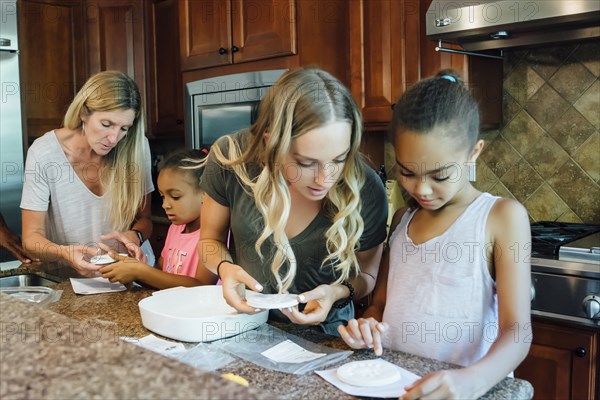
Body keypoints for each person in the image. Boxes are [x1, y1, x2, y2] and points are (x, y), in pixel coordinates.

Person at [338, 70, 532, 399]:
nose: (422, 189)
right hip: (399, 385)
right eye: (408, 172)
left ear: (473, 152)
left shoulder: (501, 218)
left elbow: (517, 331)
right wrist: (367, 326)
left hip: (470, 391)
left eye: (440, 175)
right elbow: (380, 305)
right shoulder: (402, 220)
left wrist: (471, 381)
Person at [197, 67, 388, 335]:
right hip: (246, 326)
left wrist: (336, 292)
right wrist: (224, 267)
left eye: (339, 159)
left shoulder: (366, 187)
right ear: (271, 143)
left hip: (329, 336)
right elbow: (209, 241)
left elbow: (368, 274)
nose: (325, 179)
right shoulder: (231, 159)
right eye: (306, 163)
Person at [21, 71, 154, 276]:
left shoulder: (137, 147)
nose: (113, 138)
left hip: (133, 277)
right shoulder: (44, 153)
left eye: (124, 128)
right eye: (106, 124)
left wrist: (135, 236)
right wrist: (64, 253)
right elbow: (31, 239)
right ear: (84, 112)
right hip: (73, 283)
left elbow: (145, 219)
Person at [99, 149, 217, 289]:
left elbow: (202, 286)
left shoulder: (214, 236)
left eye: (175, 196)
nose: (165, 205)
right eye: (162, 196)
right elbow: (160, 272)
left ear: (205, 193)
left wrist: (140, 272)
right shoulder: (175, 229)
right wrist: (132, 269)